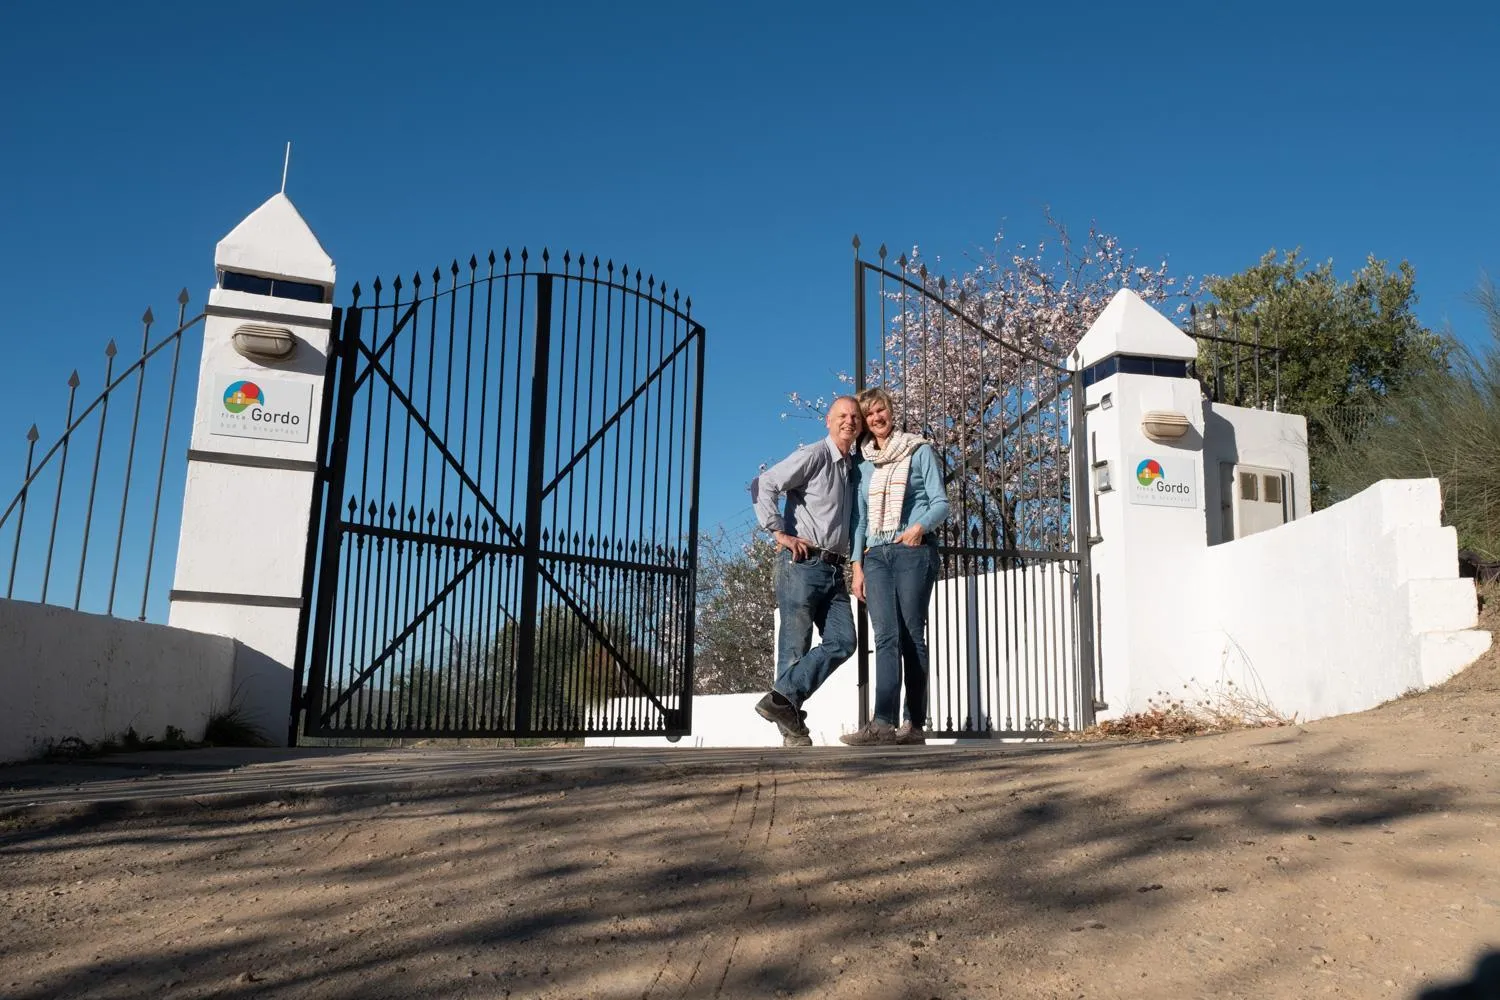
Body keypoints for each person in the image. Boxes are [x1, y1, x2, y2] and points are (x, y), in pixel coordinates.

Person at [840, 387, 950, 746]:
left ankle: (914, 723)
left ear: (891, 410)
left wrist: (918, 529)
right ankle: (882, 723)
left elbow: (940, 503)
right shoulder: (864, 462)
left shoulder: (918, 450)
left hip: (911, 552)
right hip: (876, 556)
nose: (876, 418)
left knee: (911, 636)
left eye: (880, 410)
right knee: (885, 637)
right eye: (868, 414)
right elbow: (860, 518)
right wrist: (857, 565)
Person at [751, 395, 863, 747]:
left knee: (844, 641)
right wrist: (778, 532)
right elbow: (763, 484)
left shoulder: (852, 467)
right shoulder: (814, 455)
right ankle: (792, 734)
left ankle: (780, 700)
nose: (849, 421)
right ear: (828, 421)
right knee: (794, 649)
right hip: (801, 563)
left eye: (854, 416)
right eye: (842, 415)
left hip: (834, 569)